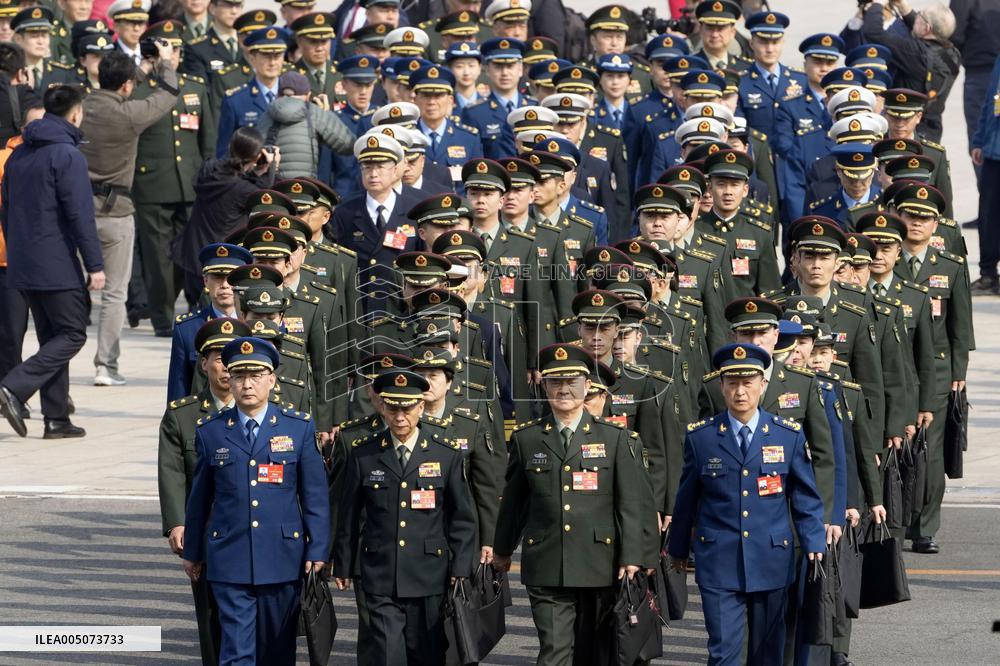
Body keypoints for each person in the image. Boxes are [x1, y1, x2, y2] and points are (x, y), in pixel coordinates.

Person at [669, 342, 826, 666]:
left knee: (767, 653)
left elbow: (804, 495)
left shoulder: (787, 435)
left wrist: (813, 541)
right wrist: (678, 551)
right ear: (722, 386)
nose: (740, 391)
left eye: (748, 383)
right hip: (718, 560)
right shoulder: (702, 438)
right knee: (723, 652)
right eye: (733, 383)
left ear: (762, 384)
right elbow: (687, 499)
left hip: (771, 557)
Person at [493, 342, 647, 665]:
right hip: (547, 563)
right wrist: (502, 549)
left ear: (587, 385)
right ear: (543, 385)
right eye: (555, 382)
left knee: (594, 653)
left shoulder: (614, 439)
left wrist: (633, 555)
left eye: (572, 382)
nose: (564, 390)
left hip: (599, 565)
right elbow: (514, 503)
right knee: (554, 652)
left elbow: (631, 503)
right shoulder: (527, 438)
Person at [182, 335, 330, 666]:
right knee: (236, 651)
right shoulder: (212, 431)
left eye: (255, 376)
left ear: (272, 380)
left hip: (282, 557)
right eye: (239, 377)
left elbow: (315, 496)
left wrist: (318, 548)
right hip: (229, 557)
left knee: (277, 649)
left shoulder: (297, 428)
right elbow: (199, 499)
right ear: (230, 381)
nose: (247, 385)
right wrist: (193, 551)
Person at [333, 369, 476, 665]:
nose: (400, 416)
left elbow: (462, 517)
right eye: (393, 407)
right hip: (380, 572)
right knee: (388, 654)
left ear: (421, 407)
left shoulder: (445, 454)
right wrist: (344, 565)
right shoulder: (364, 454)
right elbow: (348, 514)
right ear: (382, 407)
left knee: (425, 654)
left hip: (429, 575)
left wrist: (461, 568)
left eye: (407, 408)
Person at [0, 85, 104, 439]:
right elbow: (80, 216)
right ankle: (14, 386)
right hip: (55, 261)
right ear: (76, 113)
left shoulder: (19, 153)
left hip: (23, 261)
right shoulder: (67, 155)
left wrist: (17, 253)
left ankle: (56, 418)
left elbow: (7, 210)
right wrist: (95, 264)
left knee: (52, 337)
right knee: (73, 333)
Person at [80, 46, 178, 387]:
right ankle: (105, 365)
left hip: (75, 210)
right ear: (126, 86)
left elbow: (118, 83)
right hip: (116, 212)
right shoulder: (129, 114)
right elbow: (168, 95)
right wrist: (164, 65)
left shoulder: (80, 108)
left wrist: (140, 67)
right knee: (114, 293)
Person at [158, 316, 251, 666]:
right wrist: (177, 524)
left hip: (259, 526)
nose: (226, 369)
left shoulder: (270, 412)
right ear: (203, 363)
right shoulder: (183, 416)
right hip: (210, 530)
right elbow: (171, 471)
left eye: (233, 360)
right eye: (217, 358)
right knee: (212, 613)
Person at [133, 19, 217, 337]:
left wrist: (208, 178)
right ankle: (162, 316)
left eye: (177, 49)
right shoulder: (140, 88)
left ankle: (194, 306)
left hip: (190, 181)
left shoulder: (194, 86)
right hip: (152, 183)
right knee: (157, 256)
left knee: (190, 253)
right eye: (167, 48)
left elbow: (206, 140)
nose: (174, 55)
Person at [172, 126, 280, 303]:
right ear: (256, 157)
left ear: (231, 147)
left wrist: (255, 171)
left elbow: (233, 177)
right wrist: (271, 168)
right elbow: (264, 199)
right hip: (223, 263)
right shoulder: (242, 190)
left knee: (198, 318)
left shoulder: (209, 170)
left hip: (194, 257)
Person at [861, 0, 960, 142]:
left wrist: (877, 4)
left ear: (926, 28)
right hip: (931, 131)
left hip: (904, 131)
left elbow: (873, 33)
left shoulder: (914, 53)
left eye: (920, 15)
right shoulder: (953, 55)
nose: (916, 16)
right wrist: (905, 9)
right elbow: (933, 31)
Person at [256, 70, 355, 179]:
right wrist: (327, 114)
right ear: (308, 95)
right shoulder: (315, 112)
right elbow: (348, 144)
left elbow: (254, 152)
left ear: (278, 94)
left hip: (273, 186)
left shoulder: (267, 114)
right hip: (305, 187)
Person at [215, 26, 290, 155]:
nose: (272, 62)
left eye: (277, 56)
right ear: (252, 59)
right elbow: (225, 152)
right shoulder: (236, 101)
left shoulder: (294, 97)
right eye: (266, 56)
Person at [971, 54, 1000, 294]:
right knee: (988, 217)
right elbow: (990, 101)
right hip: (993, 150)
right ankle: (988, 274)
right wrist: (979, 139)